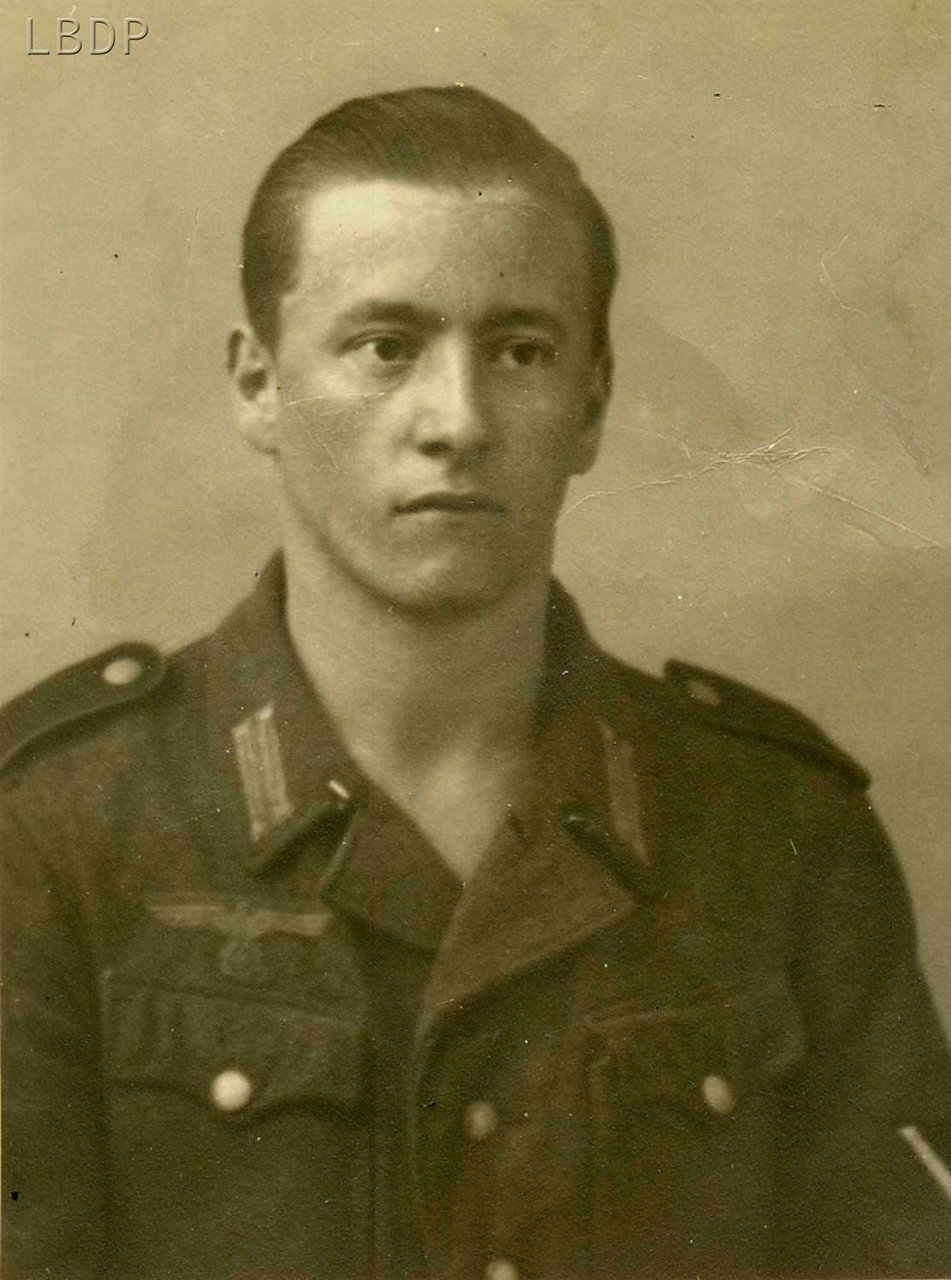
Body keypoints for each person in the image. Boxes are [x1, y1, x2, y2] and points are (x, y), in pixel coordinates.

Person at [2, 85, 949, 1280]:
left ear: (591, 402)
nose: (457, 420)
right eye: (385, 347)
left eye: (519, 351)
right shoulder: (54, 832)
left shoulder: (780, 825)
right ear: (257, 384)